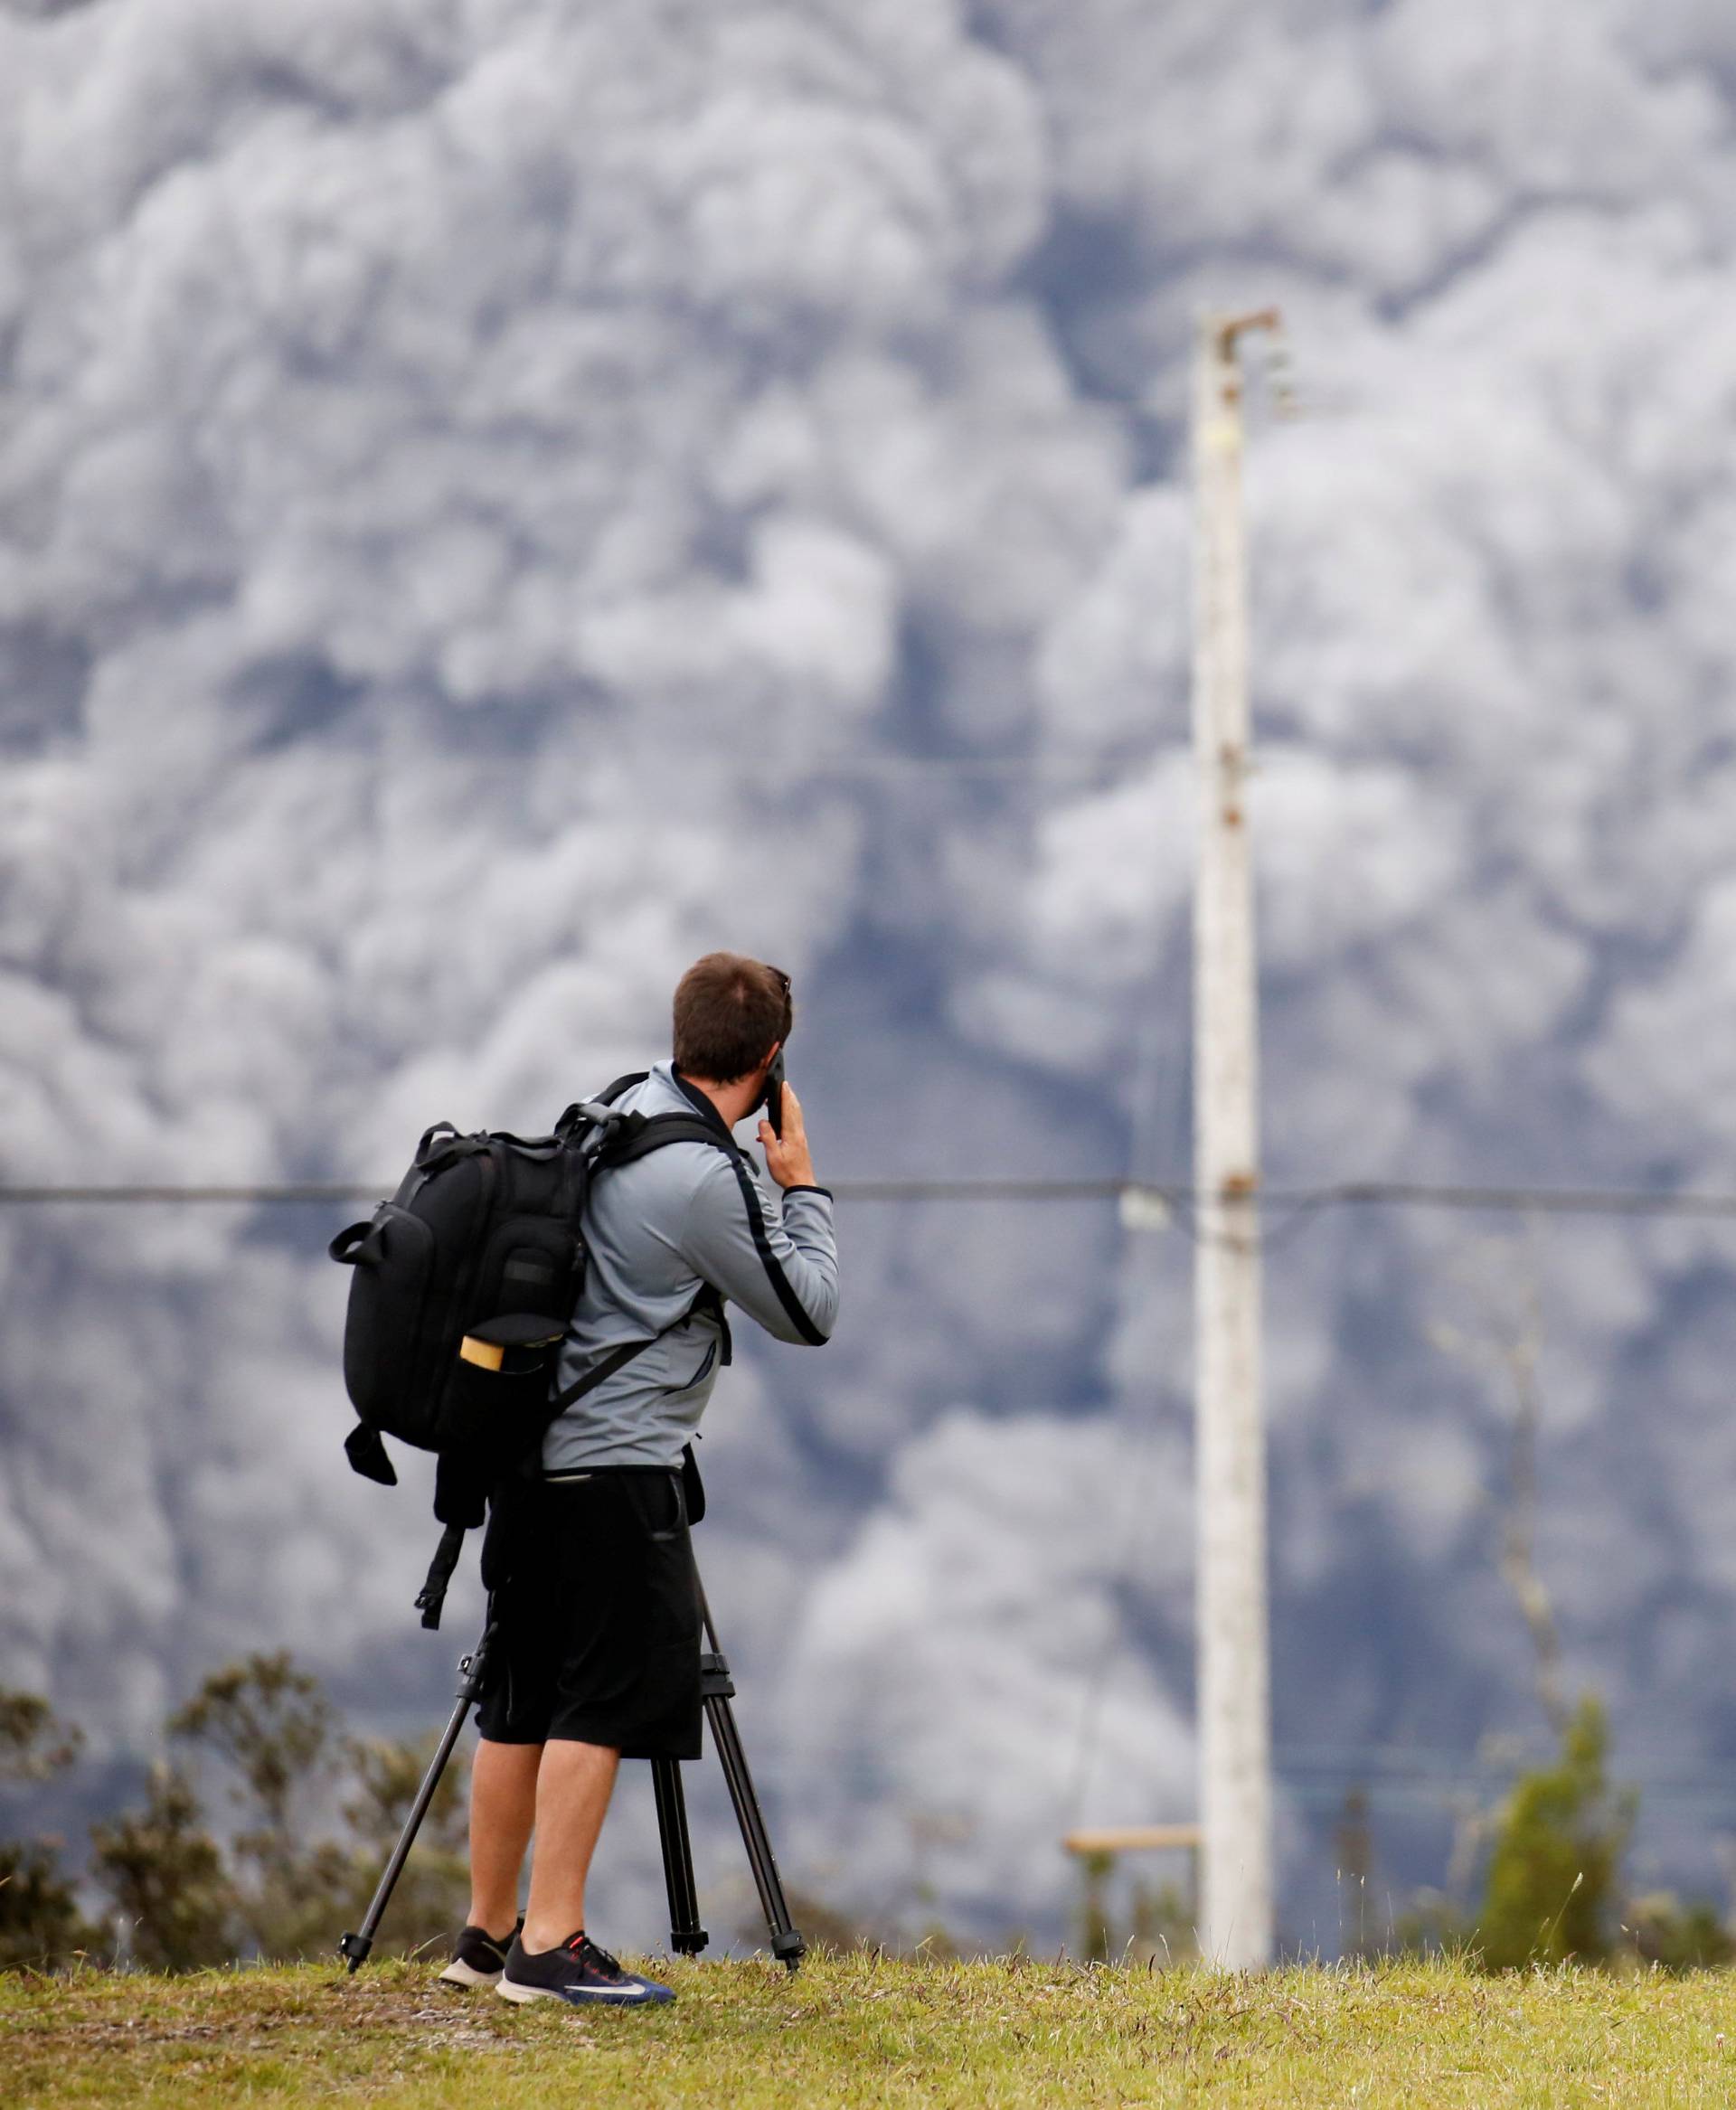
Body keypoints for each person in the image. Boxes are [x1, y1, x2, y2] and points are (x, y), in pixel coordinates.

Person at [438, 953, 839, 2009]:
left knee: (516, 1699)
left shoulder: (616, 1106)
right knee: (603, 1700)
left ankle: (485, 1936)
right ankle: (552, 1946)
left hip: (526, 1457)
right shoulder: (707, 1177)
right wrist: (802, 1187)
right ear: (770, 1060)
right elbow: (808, 1311)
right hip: (618, 1474)